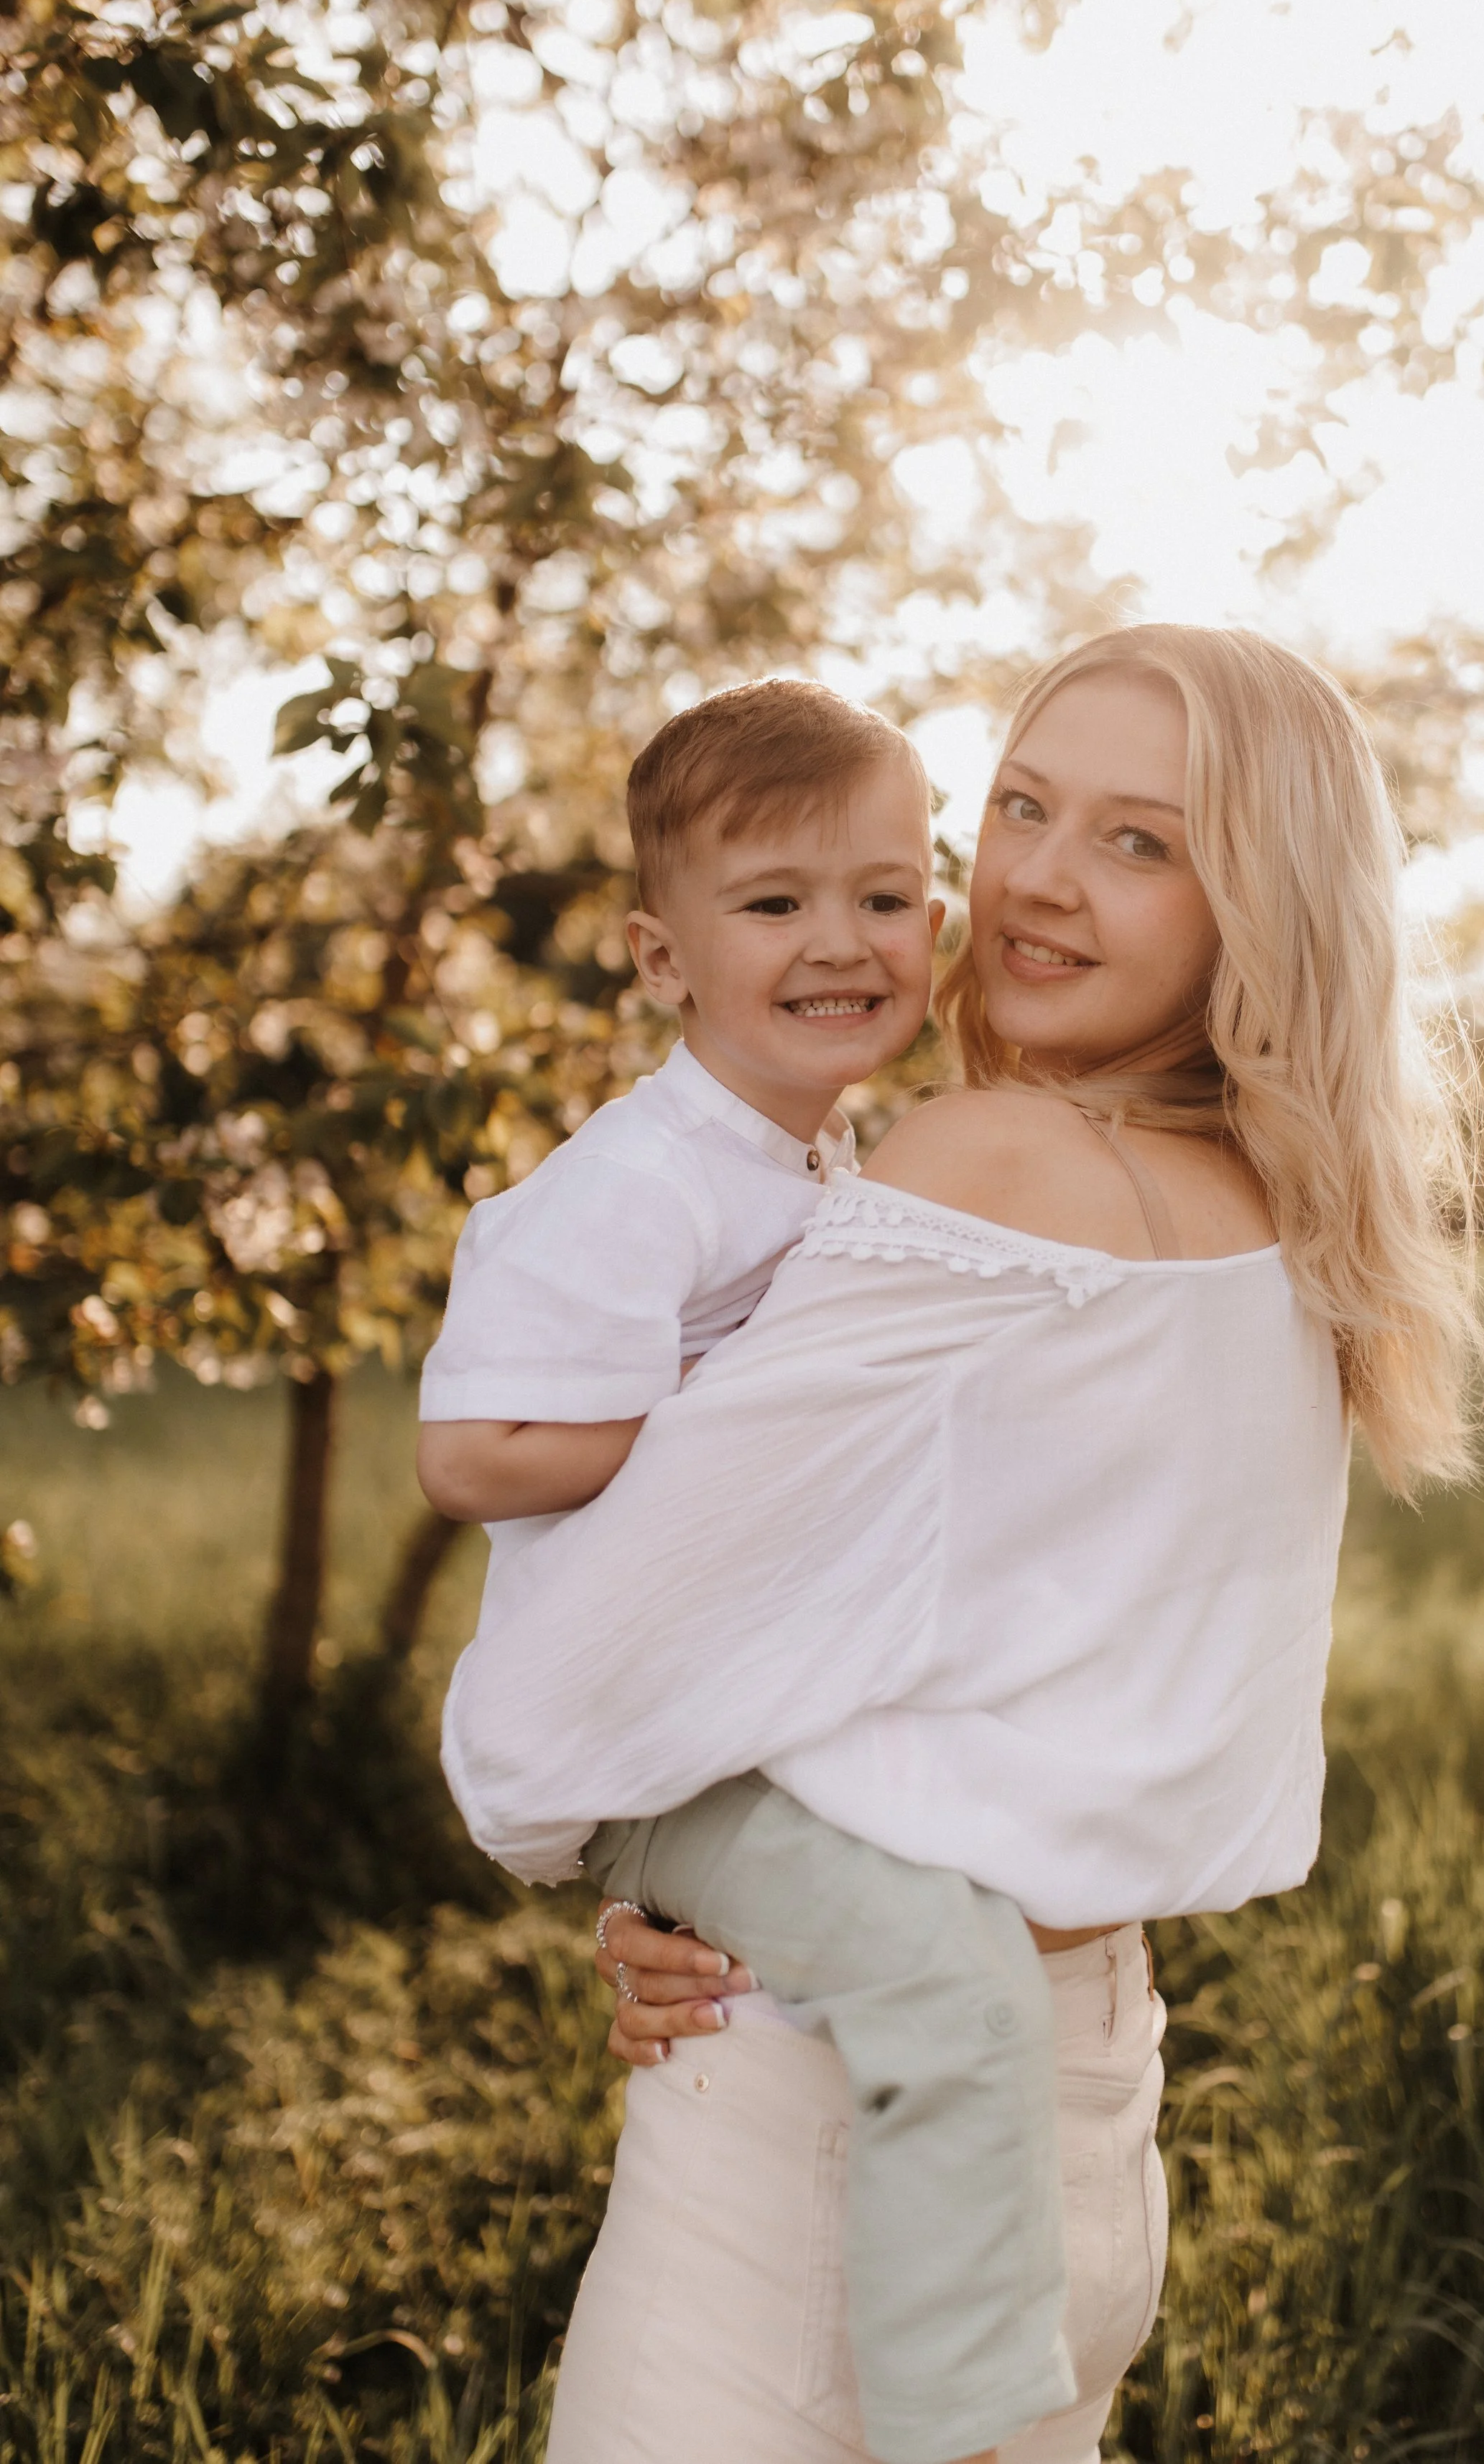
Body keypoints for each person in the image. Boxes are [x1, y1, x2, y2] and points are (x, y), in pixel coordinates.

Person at [441, 624, 1484, 2464]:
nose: (1038, 880)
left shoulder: (982, 1167)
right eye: (1020, 807)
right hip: (1084, 2093)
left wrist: (614, 1845)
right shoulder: (1292, 1222)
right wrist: (723, 1890)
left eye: (1139, 842)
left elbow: (591, 1657)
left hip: (831, 2146)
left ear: (1257, 901)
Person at [420, 677, 1083, 2464]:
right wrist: (724, 1428)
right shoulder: (641, 1184)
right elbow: (470, 1452)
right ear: (662, 955)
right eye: (774, 902)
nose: (839, 941)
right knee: (945, 1982)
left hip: (732, 1716)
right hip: (658, 1749)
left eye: (882, 896)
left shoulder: (818, 1156)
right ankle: (963, 2424)